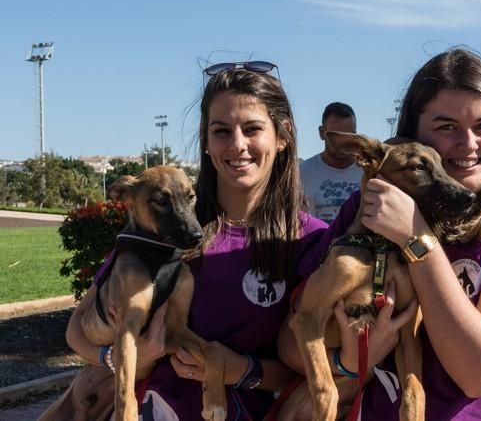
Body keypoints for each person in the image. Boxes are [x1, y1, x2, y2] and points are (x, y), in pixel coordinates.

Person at [280, 48, 481, 420]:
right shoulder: (365, 213)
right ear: (413, 136)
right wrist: (349, 362)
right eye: (446, 127)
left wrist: (415, 237)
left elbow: (480, 372)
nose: (468, 143)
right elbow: (292, 345)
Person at [65, 62, 327, 420]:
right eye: (221, 131)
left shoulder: (312, 241)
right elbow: (77, 330)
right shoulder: (167, 229)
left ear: (282, 136)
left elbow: (312, 366)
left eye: (252, 129)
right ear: (206, 141)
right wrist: (116, 359)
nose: (238, 145)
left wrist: (242, 371)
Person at [300, 102, 362, 224]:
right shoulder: (301, 174)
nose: (343, 143)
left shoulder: (369, 172)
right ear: (322, 133)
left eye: (349, 136)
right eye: (336, 136)